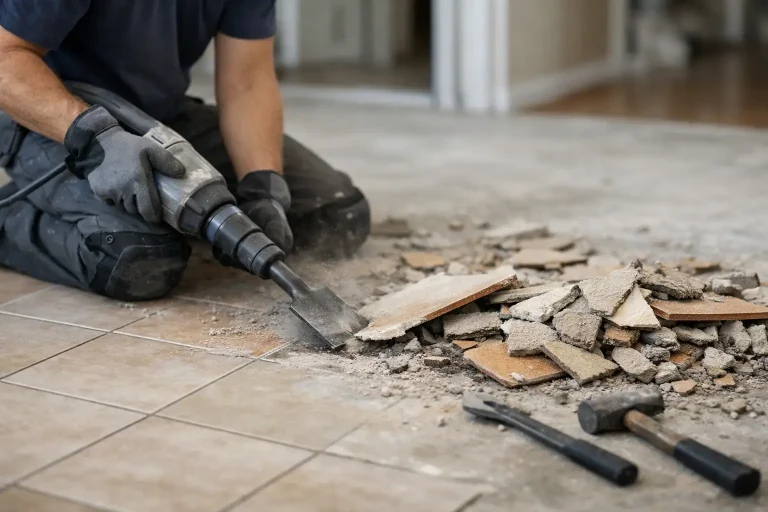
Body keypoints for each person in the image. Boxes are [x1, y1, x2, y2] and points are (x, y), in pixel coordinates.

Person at [0, 0, 370, 301]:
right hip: (45, 117)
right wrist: (99, 140)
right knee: (138, 260)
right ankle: (13, 216)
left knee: (335, 215)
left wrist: (263, 186)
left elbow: (248, 82)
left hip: (159, 114)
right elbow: (7, 59)